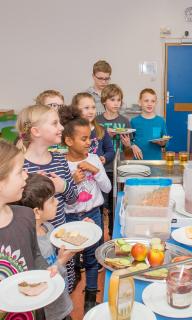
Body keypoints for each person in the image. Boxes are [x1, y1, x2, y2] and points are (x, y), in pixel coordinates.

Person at [16, 104, 78, 292]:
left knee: (63, 284)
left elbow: (73, 198)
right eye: (54, 123)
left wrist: (63, 186)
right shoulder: (20, 166)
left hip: (59, 238)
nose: (61, 127)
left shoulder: (60, 160)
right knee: (41, 287)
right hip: (33, 244)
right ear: (36, 131)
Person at [59, 105, 111, 313]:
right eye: (83, 139)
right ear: (68, 141)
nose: (89, 142)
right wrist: (71, 181)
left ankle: (90, 295)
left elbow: (107, 188)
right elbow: (62, 199)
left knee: (92, 256)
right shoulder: (62, 165)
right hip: (70, 217)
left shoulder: (92, 159)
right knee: (71, 256)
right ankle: (68, 290)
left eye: (89, 137)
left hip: (93, 214)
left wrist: (96, 170)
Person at [0, 140, 56, 320]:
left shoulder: (25, 216)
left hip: (33, 312)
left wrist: (47, 272)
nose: (26, 176)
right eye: (19, 171)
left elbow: (35, 255)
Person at [18, 173, 74, 320]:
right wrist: (61, 262)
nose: (57, 203)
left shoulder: (48, 228)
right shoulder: (30, 243)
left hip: (61, 301)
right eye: (52, 200)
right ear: (37, 212)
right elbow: (39, 283)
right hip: (49, 313)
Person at [97, 84, 132, 226]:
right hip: (100, 168)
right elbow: (91, 145)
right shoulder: (98, 121)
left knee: (115, 203)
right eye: (112, 99)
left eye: (119, 100)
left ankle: (113, 232)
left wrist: (128, 145)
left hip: (117, 168)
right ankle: (99, 231)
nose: (116, 103)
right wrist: (105, 135)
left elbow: (129, 153)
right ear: (104, 101)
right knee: (100, 203)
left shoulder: (124, 121)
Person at [130, 88, 168, 160]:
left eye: (153, 101)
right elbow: (129, 140)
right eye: (146, 101)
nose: (149, 104)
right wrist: (132, 145)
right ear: (139, 102)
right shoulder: (134, 121)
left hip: (156, 160)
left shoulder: (160, 121)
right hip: (139, 160)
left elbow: (166, 140)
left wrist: (163, 144)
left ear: (156, 103)